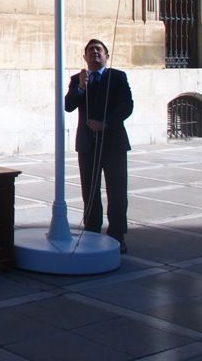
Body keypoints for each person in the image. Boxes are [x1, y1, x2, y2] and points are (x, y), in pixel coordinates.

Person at [65, 38, 134, 254]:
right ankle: (92, 230)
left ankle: (117, 235)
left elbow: (126, 106)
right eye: (91, 50)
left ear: (106, 56)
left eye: (99, 50)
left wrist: (106, 124)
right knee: (90, 191)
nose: (95, 53)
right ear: (84, 56)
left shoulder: (117, 77)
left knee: (117, 191)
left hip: (113, 143)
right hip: (87, 145)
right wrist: (81, 88)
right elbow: (68, 106)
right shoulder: (78, 79)